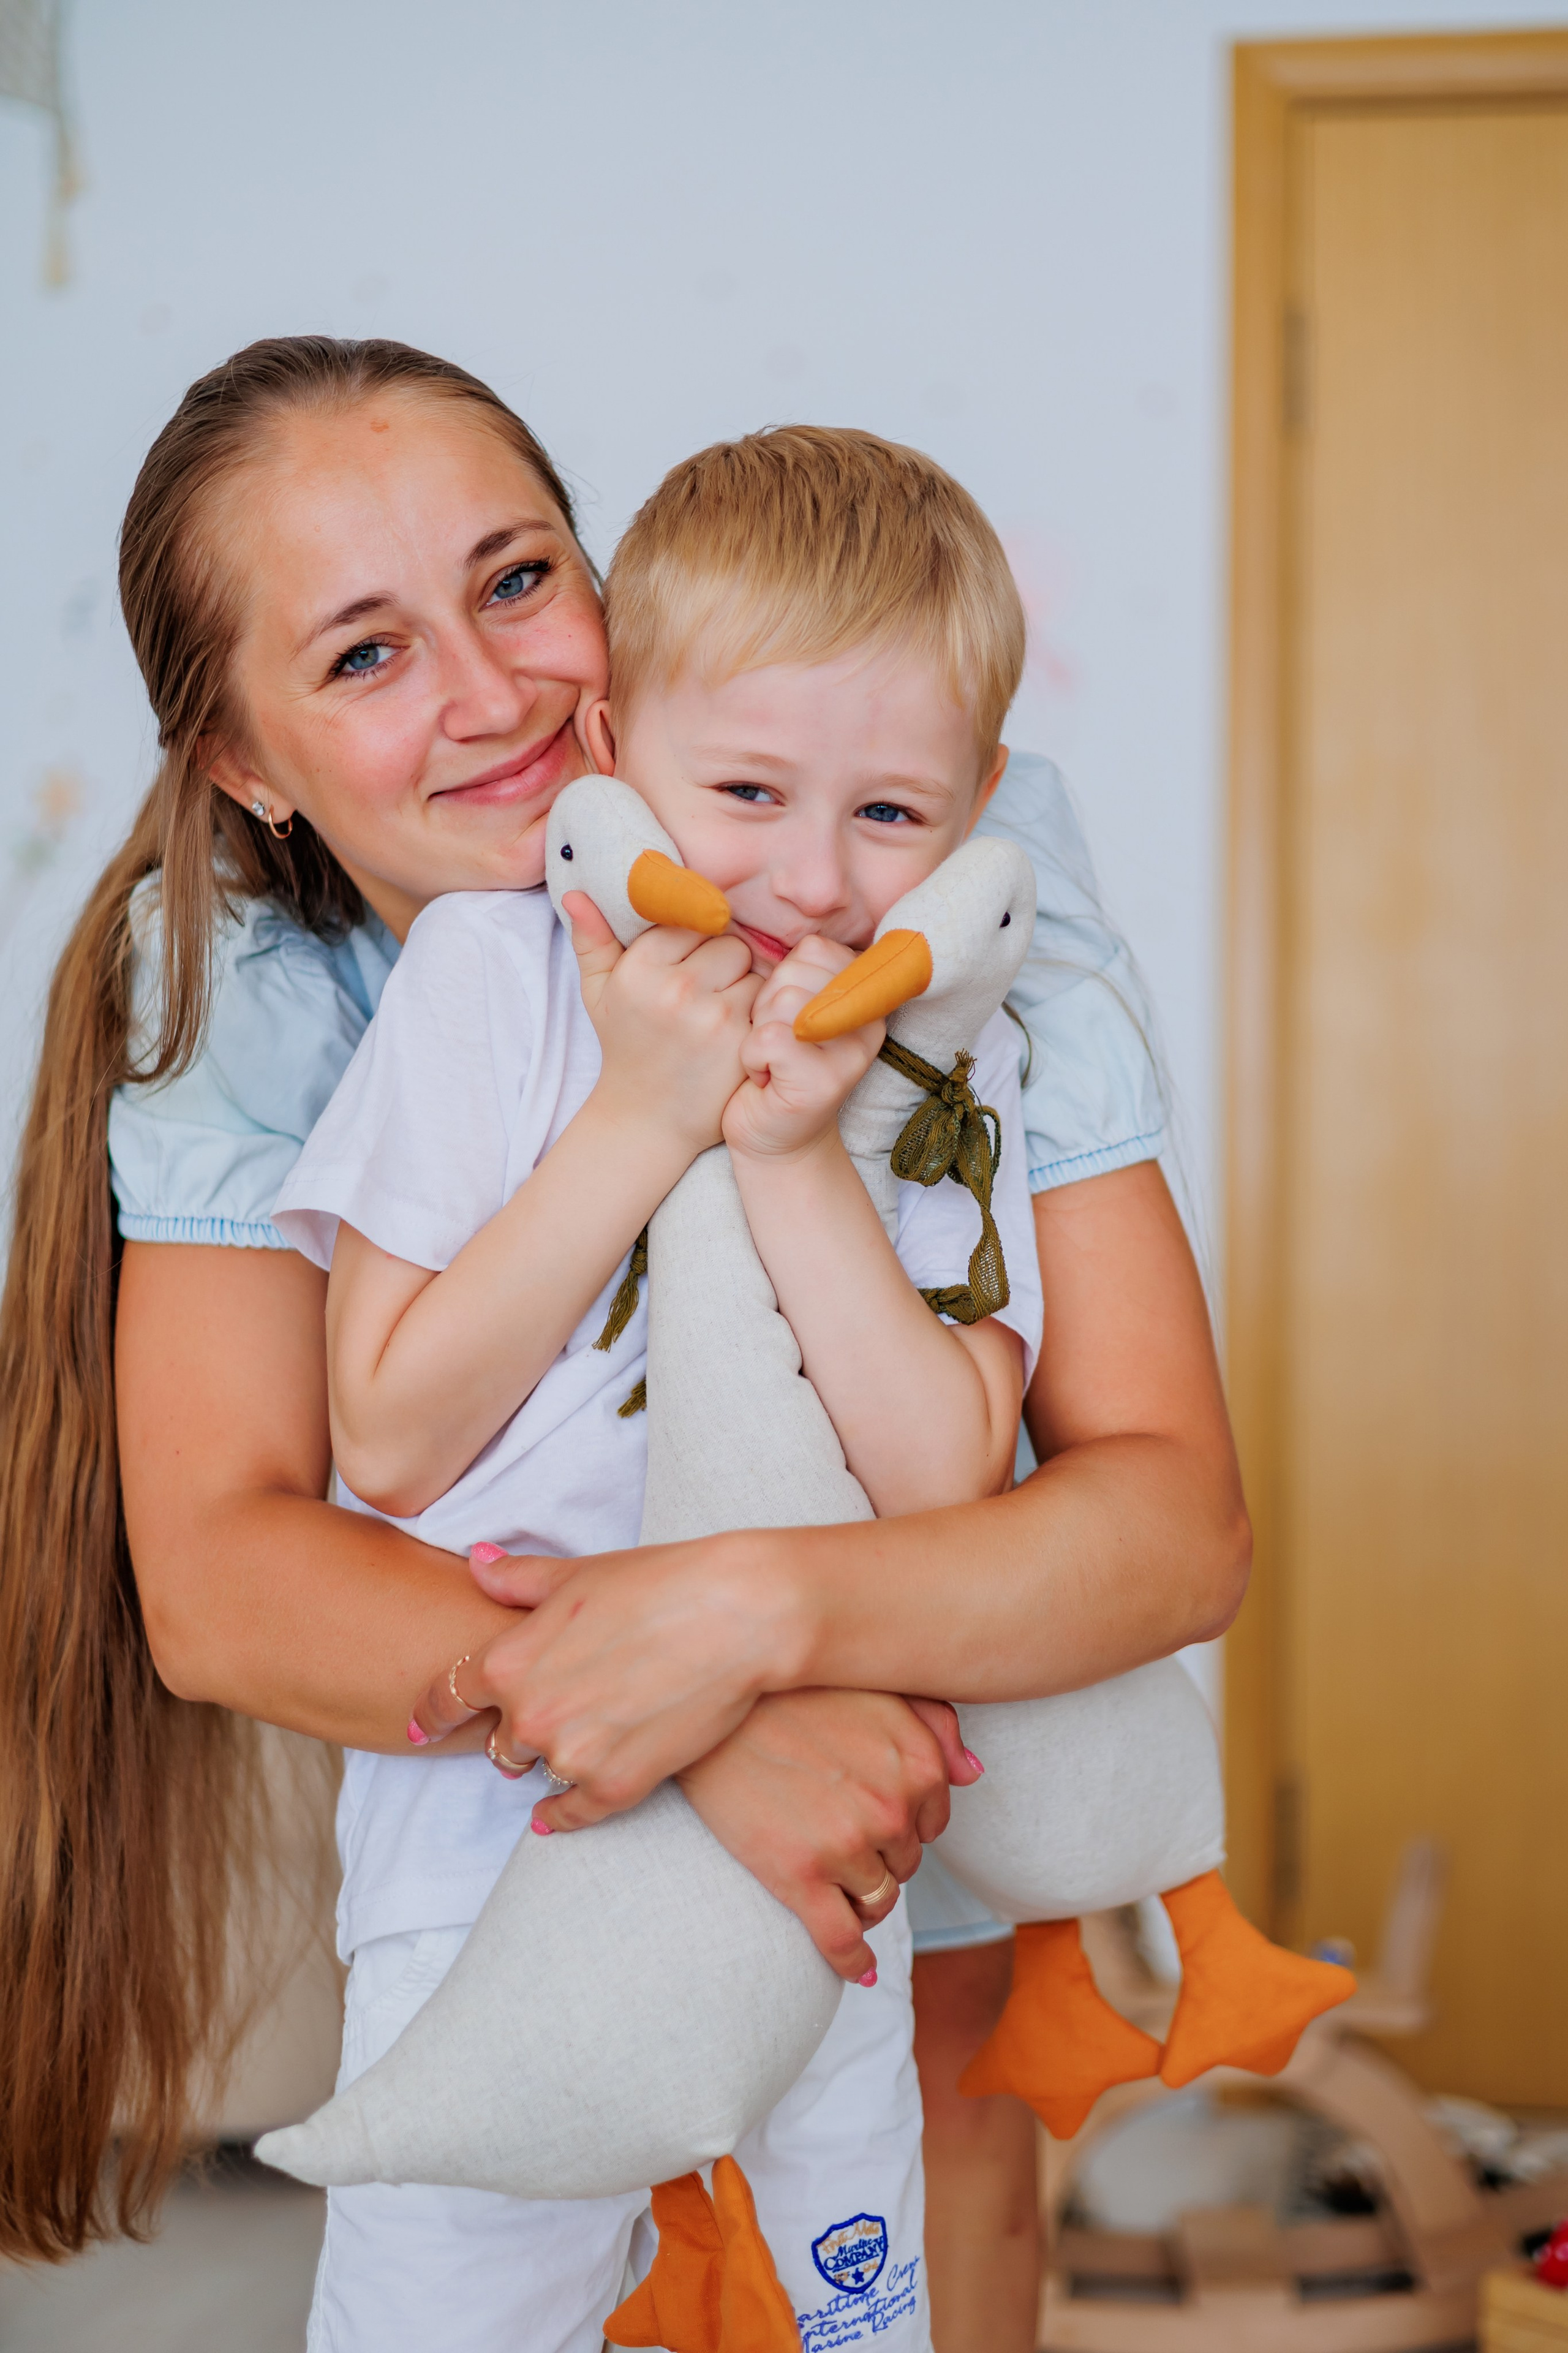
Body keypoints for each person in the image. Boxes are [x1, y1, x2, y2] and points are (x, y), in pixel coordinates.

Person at [0, 339, 1248, 2353]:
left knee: (892, 2258)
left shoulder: (921, 862)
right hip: (547, 1809)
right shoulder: (271, 985)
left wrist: (752, 1618)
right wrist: (706, 1721)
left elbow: (1170, 1522)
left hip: (909, 1800)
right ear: (245, 757)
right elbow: (231, 1576)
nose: (492, 699)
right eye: (362, 655)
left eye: (514, 581)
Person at [269, 425, 1046, 2344]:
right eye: (750, 790)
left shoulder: (952, 1059)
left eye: (893, 815)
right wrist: (643, 1112)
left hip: (824, 1847)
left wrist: (794, 1160)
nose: (809, 879)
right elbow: (386, 1432)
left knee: (846, 2318)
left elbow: (951, 1481)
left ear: (983, 806)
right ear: (614, 752)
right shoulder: (482, 978)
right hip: (498, 1847)